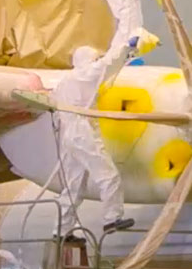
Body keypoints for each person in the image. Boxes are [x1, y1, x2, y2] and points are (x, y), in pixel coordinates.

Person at [54, 44, 133, 235]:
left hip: (67, 133)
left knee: (73, 186)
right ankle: (112, 219)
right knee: (109, 175)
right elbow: (109, 64)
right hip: (82, 131)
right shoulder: (85, 74)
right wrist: (127, 48)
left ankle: (62, 231)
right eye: (94, 59)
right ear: (88, 60)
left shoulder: (64, 80)